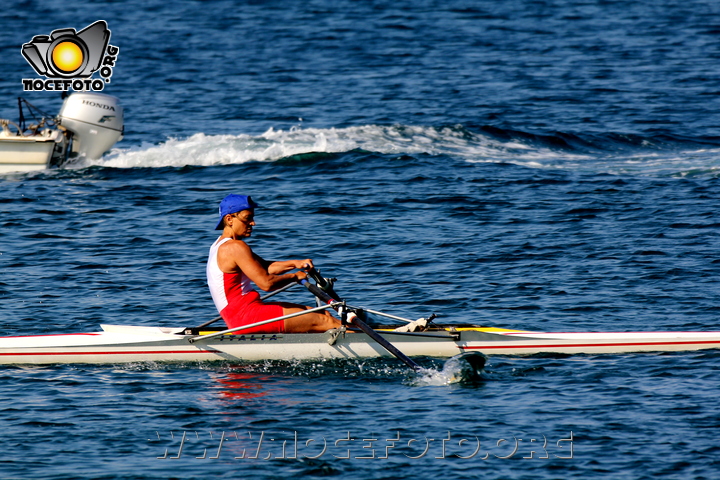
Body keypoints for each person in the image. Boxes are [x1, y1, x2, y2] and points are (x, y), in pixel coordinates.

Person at [207, 194, 341, 334]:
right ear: (229, 219)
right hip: (246, 316)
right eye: (248, 218)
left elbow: (265, 268)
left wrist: (295, 263)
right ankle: (362, 342)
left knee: (323, 314)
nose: (253, 223)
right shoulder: (236, 247)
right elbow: (267, 284)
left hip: (243, 314)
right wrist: (294, 277)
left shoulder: (219, 245)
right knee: (326, 322)